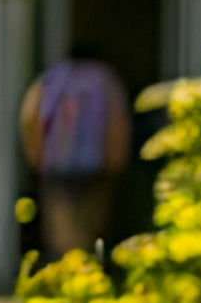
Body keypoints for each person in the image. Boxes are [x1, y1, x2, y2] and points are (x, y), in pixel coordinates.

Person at [20, 43, 132, 263]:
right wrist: (117, 160)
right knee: (92, 225)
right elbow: (118, 122)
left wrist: (36, 155)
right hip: (96, 165)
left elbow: (30, 117)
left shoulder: (51, 79)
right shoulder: (105, 80)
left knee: (61, 227)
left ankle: (69, 269)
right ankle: (88, 270)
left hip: (57, 164)